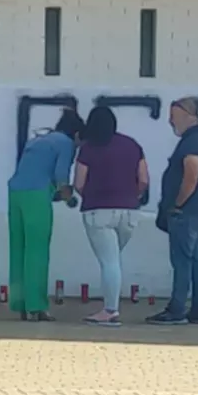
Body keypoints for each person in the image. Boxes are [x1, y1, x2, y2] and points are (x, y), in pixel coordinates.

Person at [73, 106, 148, 327]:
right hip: (130, 211)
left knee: (109, 262)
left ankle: (110, 310)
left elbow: (79, 183)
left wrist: (92, 194)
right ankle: (110, 307)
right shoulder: (132, 145)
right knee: (113, 260)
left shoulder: (88, 149)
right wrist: (132, 194)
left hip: (98, 212)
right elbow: (143, 179)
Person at [147, 97, 198, 326]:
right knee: (196, 260)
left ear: (189, 115)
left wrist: (177, 204)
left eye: (174, 116)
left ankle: (177, 309)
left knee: (183, 261)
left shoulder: (194, 142)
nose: (170, 121)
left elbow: (191, 176)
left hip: (186, 212)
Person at [7, 107, 82, 322]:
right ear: (76, 135)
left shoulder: (38, 140)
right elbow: (61, 177)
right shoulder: (66, 143)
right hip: (37, 195)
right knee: (37, 251)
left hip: (15, 193)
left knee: (18, 249)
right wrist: (70, 199)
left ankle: (20, 304)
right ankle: (37, 306)